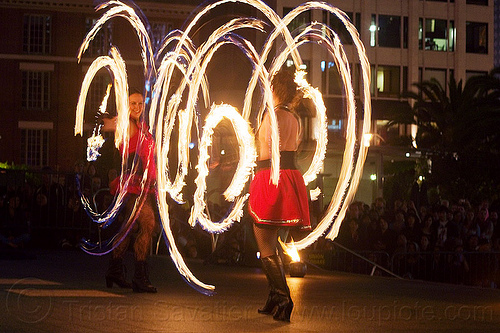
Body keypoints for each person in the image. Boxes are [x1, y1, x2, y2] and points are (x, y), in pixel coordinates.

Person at [248, 70, 311, 322]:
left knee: (264, 242)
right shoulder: (295, 118)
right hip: (290, 178)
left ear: (276, 90)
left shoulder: (270, 116)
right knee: (271, 242)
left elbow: (267, 149)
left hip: (271, 178)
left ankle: (284, 298)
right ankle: (274, 295)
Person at [102, 89, 158, 293]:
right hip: (133, 184)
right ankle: (139, 277)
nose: (137, 107)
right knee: (148, 223)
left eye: (140, 104)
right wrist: (103, 117)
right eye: (132, 104)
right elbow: (106, 125)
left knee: (129, 228)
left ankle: (115, 270)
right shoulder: (126, 123)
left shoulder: (140, 126)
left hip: (142, 185)